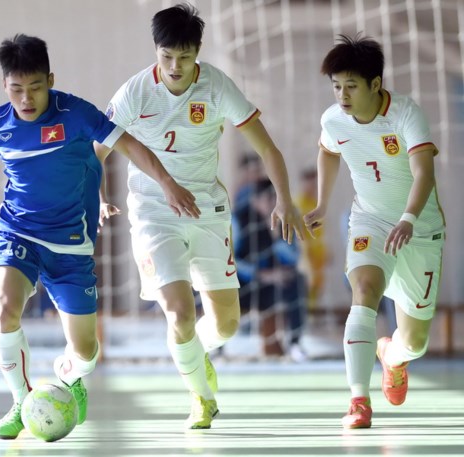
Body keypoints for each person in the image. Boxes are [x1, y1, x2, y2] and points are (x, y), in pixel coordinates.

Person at [0, 33, 200, 440]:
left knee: (85, 353)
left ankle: (71, 378)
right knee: (5, 307)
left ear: (50, 79)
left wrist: (168, 184)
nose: (26, 99)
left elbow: (131, 145)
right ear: (5, 86)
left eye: (35, 87)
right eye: (16, 89)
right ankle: (20, 401)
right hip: (17, 232)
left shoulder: (77, 113)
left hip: (71, 245)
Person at [95, 3, 304, 429]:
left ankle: (193, 353)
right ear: (156, 50)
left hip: (208, 210)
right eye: (166, 56)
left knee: (226, 325)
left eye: (185, 57)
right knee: (178, 311)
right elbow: (94, 152)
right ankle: (200, 396)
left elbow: (267, 148)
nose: (175, 66)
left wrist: (285, 199)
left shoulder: (216, 86)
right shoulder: (135, 92)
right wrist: (96, 197)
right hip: (154, 211)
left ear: (198, 51)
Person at [304, 34, 445, 429]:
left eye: (351, 86)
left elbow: (424, 172)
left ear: (375, 85)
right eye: (336, 86)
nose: (342, 95)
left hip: (419, 228)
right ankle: (358, 401)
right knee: (364, 292)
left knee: (415, 343)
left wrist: (409, 219)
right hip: (368, 220)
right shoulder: (333, 119)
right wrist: (321, 204)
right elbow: (328, 151)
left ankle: (392, 355)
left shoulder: (406, 114)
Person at [233, 179, 308, 361]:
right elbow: (230, 261)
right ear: (255, 201)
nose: (272, 203)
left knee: (297, 280)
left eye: (275, 198)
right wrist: (259, 274)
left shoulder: (286, 219)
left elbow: (294, 257)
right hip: (243, 283)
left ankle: (294, 344)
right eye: (267, 198)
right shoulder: (238, 220)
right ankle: (216, 349)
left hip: (273, 283)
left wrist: (276, 240)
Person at [295, 166, 329, 312]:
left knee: (318, 287)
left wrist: (326, 251)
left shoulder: (316, 204)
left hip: (318, 254)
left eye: (315, 183)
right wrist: (304, 253)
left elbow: (320, 232)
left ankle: (310, 316)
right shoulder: (298, 204)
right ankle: (303, 319)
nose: (313, 186)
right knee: (306, 287)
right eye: (310, 182)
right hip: (305, 253)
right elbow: (298, 231)